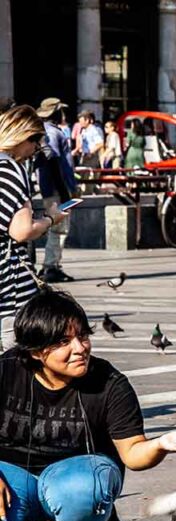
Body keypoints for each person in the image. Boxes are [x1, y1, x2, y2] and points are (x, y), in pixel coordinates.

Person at [0, 290, 176, 521]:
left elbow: (133, 455)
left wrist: (162, 444)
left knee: (83, 486)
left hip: (76, 485)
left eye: (82, 336)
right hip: (16, 482)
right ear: (37, 352)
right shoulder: (7, 371)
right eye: (63, 342)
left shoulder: (110, 384)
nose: (80, 348)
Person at [0, 105, 67, 350]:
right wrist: (51, 219)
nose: (34, 151)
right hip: (8, 284)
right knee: (14, 357)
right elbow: (21, 231)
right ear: (24, 136)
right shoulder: (11, 170)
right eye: (35, 143)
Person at [34, 98, 77, 284]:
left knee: (54, 227)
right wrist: (68, 191)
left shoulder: (42, 131)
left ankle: (50, 265)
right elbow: (57, 163)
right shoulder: (53, 133)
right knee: (59, 228)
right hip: (57, 189)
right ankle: (51, 266)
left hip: (47, 188)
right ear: (55, 113)